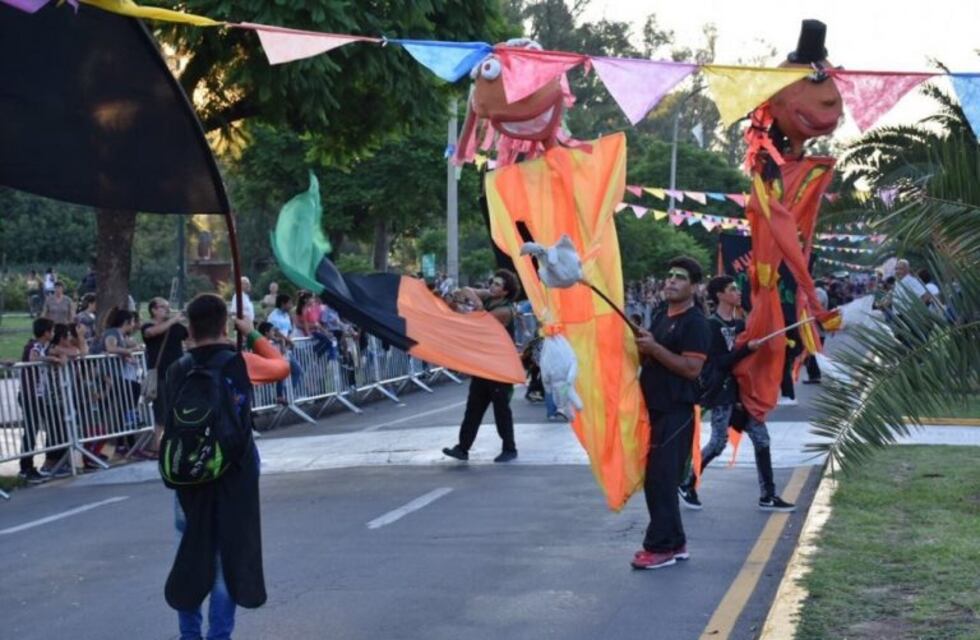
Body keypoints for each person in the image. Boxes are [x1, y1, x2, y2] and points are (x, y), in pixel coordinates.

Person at [162, 293, 288, 640]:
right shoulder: (239, 362)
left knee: (191, 553)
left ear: (190, 328)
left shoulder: (177, 369)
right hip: (234, 473)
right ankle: (219, 635)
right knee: (224, 559)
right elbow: (281, 366)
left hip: (188, 475)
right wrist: (251, 333)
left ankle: (189, 635)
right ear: (225, 326)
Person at [677, 276, 796, 514]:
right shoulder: (711, 326)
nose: (738, 293)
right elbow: (718, 363)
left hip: (744, 393)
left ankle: (768, 495)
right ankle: (688, 483)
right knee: (718, 442)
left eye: (737, 289)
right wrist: (746, 350)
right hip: (722, 393)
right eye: (732, 289)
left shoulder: (742, 325)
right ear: (719, 295)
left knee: (761, 439)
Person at [630, 257, 712, 570]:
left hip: (677, 411)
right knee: (658, 479)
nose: (672, 281)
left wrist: (654, 349)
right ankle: (676, 543)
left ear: (694, 286)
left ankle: (660, 547)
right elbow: (652, 356)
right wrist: (642, 347)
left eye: (680, 277)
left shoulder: (695, 323)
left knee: (660, 480)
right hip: (655, 409)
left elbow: (691, 369)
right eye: (669, 276)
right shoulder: (662, 315)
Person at [442, 269, 521, 463]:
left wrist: (475, 304)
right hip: (484, 365)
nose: (492, 286)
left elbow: (481, 322)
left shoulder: (505, 310)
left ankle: (509, 448)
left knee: (501, 410)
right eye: (492, 282)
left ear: (505, 292)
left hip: (500, 367)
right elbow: (465, 290)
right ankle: (462, 448)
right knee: (473, 408)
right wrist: (479, 296)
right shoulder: (489, 298)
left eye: (497, 285)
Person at [17, 318, 67, 484]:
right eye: (52, 331)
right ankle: (25, 468)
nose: (53, 334)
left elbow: (63, 357)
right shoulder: (34, 346)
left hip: (40, 396)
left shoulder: (45, 347)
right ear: (46, 333)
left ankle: (51, 461)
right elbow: (33, 358)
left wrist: (59, 357)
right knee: (31, 431)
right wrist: (50, 359)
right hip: (29, 395)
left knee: (53, 425)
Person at [142, 298, 189, 455]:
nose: (167, 310)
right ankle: (158, 446)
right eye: (163, 307)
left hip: (178, 375)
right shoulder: (148, 326)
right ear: (154, 310)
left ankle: (176, 444)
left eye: (168, 307)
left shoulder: (176, 327)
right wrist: (174, 320)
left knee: (179, 410)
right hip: (161, 374)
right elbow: (151, 333)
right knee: (161, 412)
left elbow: (191, 338)